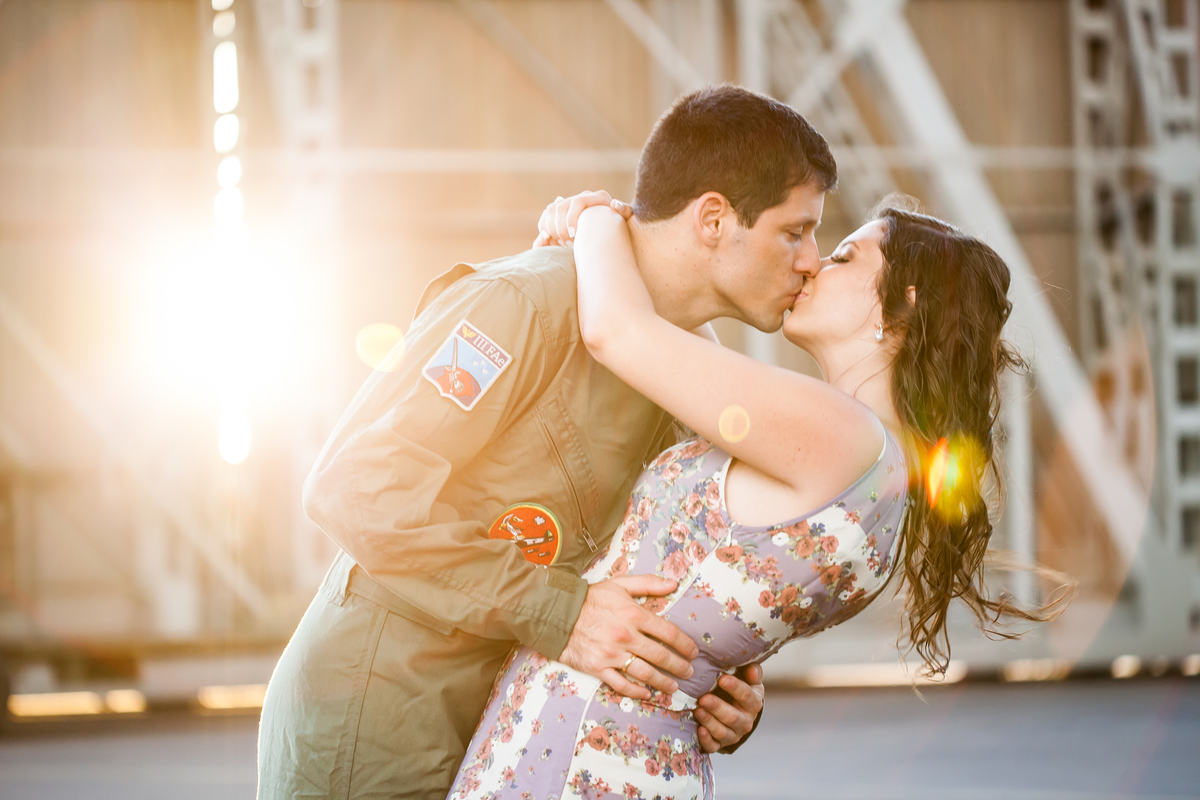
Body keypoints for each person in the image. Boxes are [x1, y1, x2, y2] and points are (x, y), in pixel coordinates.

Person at [257, 84, 838, 800]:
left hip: (506, 732)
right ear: (714, 219)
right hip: (378, 721)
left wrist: (719, 692)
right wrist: (565, 613)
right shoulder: (523, 304)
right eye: (794, 231)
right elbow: (356, 489)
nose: (812, 259)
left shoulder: (684, 378)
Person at [447, 191, 1065, 799]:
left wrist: (599, 218)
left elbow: (619, 331)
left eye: (845, 257)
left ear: (900, 304)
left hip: (576, 757)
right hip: (617, 757)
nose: (814, 264)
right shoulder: (878, 467)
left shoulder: (840, 437)